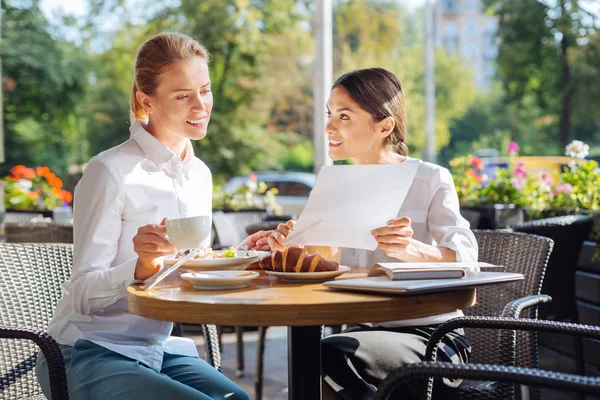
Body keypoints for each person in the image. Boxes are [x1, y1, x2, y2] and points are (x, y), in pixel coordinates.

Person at [36, 32, 268, 400]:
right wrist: (140, 267)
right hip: (86, 352)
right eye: (182, 95)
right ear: (147, 100)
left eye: (204, 90)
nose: (200, 106)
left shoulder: (199, 174)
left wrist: (245, 254)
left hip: (156, 350)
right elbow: (81, 293)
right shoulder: (110, 171)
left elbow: (190, 268)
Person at [268, 67, 478, 400]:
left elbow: (467, 258)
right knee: (316, 361)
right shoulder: (333, 186)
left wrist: (413, 250)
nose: (329, 127)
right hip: (362, 334)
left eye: (344, 116)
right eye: (330, 114)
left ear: (384, 126)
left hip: (435, 339)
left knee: (325, 356)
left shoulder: (430, 178)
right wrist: (291, 246)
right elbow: (322, 264)